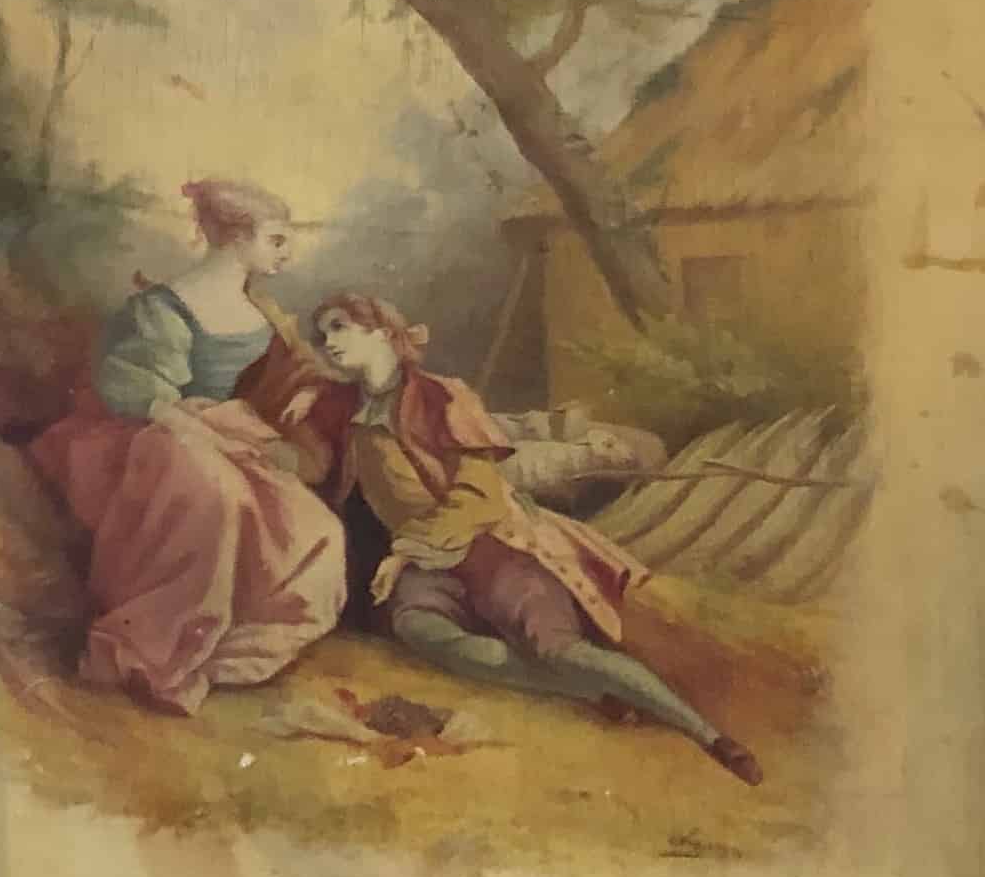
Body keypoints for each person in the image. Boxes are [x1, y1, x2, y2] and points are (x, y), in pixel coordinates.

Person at [310, 291, 762, 782]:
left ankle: (707, 734)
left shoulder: (442, 396)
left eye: (339, 327)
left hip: (496, 545)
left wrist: (401, 553)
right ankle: (585, 690)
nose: (328, 342)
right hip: (432, 565)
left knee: (558, 649)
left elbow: (478, 495)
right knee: (421, 630)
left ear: (381, 332)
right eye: (322, 333)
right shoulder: (349, 411)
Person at [27, 180, 346, 715]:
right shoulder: (163, 308)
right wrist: (202, 432)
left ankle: (229, 653)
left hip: (228, 431)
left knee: (317, 531)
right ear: (236, 240)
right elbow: (134, 389)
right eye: (276, 240)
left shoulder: (263, 311)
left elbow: (293, 367)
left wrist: (306, 388)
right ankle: (154, 650)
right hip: (155, 434)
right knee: (217, 499)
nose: (286, 253)